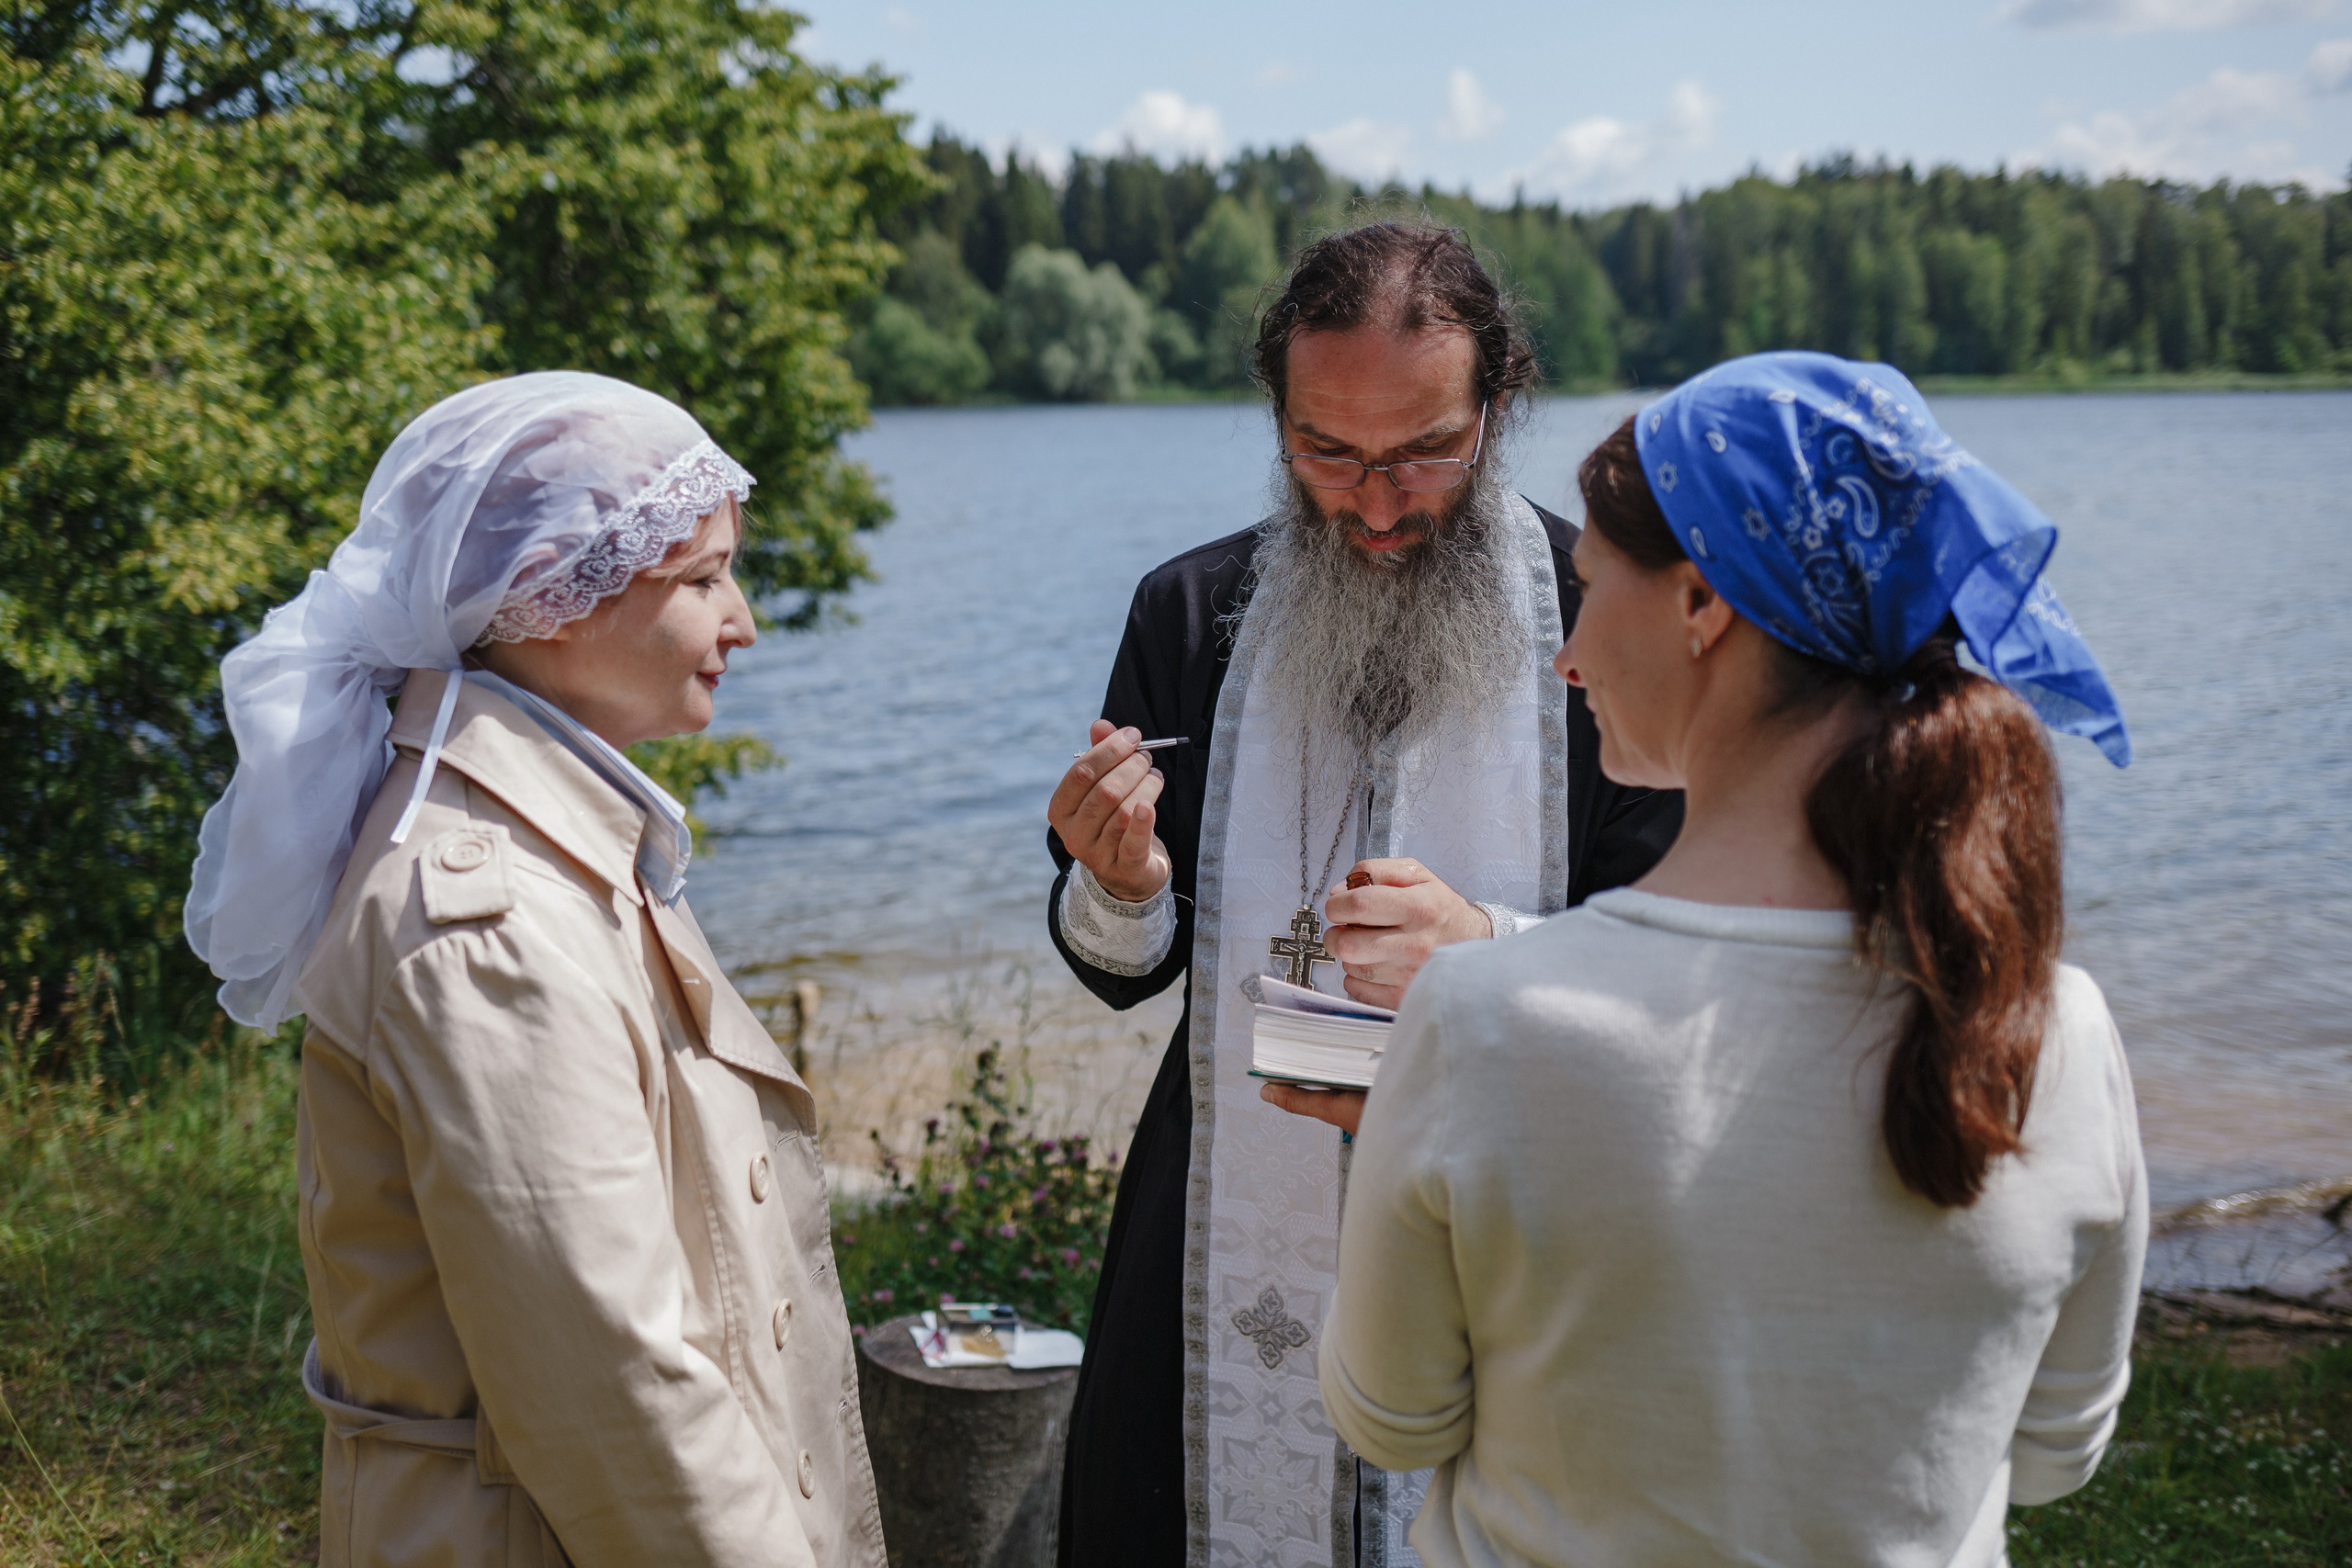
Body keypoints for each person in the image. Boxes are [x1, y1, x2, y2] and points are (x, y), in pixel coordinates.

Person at [1319, 351, 2146, 1567]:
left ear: (1701, 603)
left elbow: (1392, 1418)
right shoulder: (2056, 1026)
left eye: (1590, 589)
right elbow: (2054, 1450)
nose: (1567, 655)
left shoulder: (1483, 1021)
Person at [1042, 222, 1683, 1567]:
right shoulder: (1189, 613)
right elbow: (1121, 963)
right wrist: (1125, 880)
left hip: (1519, 1209)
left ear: (1498, 407)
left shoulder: (1602, 617)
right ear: (1277, 421)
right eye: (1326, 452)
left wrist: (1486, 946)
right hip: (1217, 1205)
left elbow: (1684, 968)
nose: (1377, 505)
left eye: (1423, 453)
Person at [184, 373, 887, 1568]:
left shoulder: (556, 837)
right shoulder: (490, 926)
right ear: (553, 596)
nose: (744, 621)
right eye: (704, 578)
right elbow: (616, 1394)